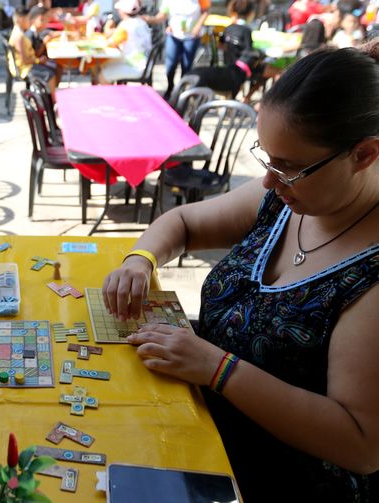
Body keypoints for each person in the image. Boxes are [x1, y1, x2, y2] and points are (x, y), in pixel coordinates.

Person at [101, 44, 379, 501]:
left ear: (364, 155)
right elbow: (183, 223)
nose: (269, 180)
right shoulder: (285, 197)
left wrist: (218, 368)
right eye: (266, 157)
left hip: (274, 480)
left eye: (288, 166)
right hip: (198, 424)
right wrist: (141, 259)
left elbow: (362, 443)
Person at [144, 0, 209, 96]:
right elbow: (162, 15)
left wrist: (198, 26)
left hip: (192, 36)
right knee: (170, 65)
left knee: (186, 66)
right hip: (174, 35)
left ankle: (182, 91)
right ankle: (170, 88)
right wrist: (149, 19)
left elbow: (205, 11)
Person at [98, 0, 152, 83]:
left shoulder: (125, 25)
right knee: (107, 65)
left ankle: (112, 95)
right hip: (144, 63)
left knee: (102, 75)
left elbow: (111, 43)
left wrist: (107, 27)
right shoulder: (142, 23)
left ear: (123, 11)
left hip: (135, 66)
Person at [8, 7, 58, 94]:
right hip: (24, 69)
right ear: (20, 20)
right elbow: (24, 60)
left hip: (27, 65)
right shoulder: (18, 37)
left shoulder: (19, 33)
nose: (30, 21)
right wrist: (39, 61)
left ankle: (50, 96)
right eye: (28, 19)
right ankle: (54, 101)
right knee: (51, 74)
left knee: (53, 67)